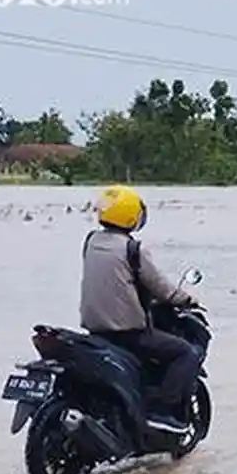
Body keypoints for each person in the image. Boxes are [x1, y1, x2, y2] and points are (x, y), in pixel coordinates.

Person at [80, 185, 201, 435]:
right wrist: (186, 299)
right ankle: (164, 413)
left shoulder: (91, 241)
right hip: (128, 334)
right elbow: (161, 288)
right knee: (185, 353)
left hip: (94, 331)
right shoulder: (132, 249)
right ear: (132, 216)